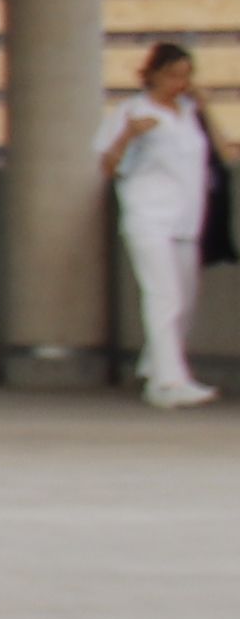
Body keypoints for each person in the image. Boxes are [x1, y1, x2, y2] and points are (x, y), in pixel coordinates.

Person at [102, 40, 221, 411]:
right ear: (152, 75)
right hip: (148, 216)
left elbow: (221, 150)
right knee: (163, 295)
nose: (179, 84)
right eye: (172, 76)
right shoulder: (132, 112)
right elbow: (108, 165)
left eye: (186, 76)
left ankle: (156, 366)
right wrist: (129, 135)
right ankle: (169, 381)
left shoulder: (187, 113)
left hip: (186, 218)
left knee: (183, 300)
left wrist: (207, 108)